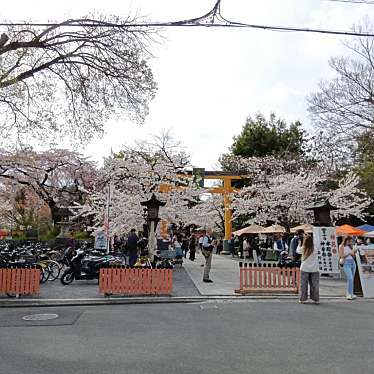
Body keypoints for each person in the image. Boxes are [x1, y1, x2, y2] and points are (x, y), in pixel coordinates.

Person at [299, 235, 319, 304]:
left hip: (304, 268)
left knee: (303, 284)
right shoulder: (315, 249)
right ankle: (315, 299)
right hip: (314, 269)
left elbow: (297, 250)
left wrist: (299, 243)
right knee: (314, 284)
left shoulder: (303, 248)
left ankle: (303, 299)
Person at [339, 236, 358, 300]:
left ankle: (351, 293)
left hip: (353, 262)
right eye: (349, 240)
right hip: (346, 263)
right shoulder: (341, 246)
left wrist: (354, 252)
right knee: (350, 278)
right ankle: (348, 294)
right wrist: (350, 252)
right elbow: (342, 256)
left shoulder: (350, 246)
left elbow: (353, 256)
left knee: (351, 279)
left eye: (351, 241)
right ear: (345, 240)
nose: (350, 242)